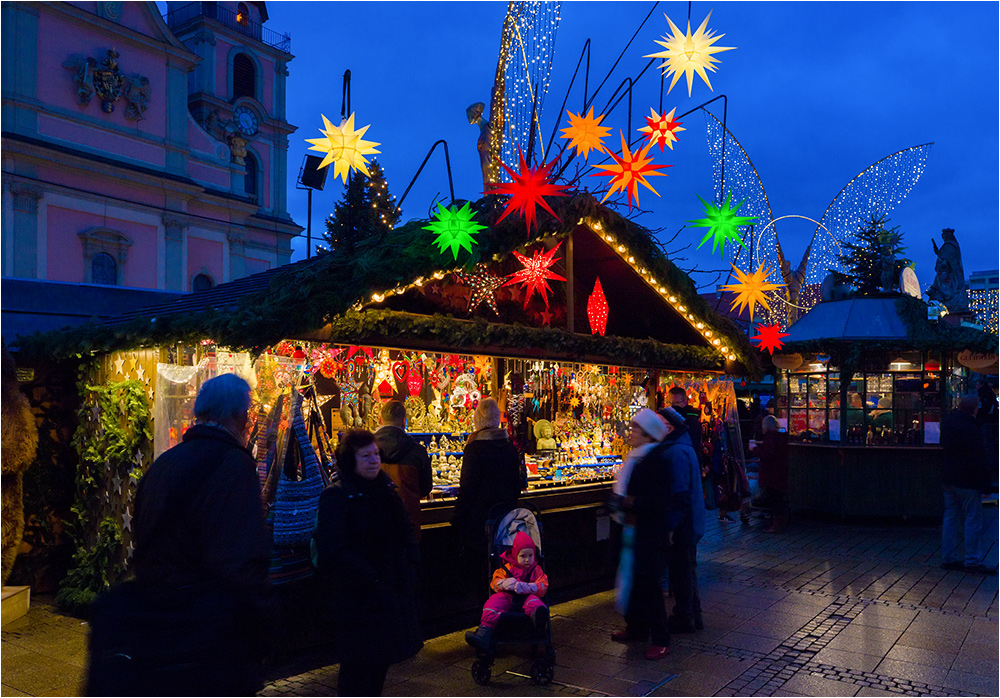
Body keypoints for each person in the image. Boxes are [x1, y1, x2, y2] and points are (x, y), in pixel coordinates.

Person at [126, 373, 276, 696]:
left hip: (160, 630)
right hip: (210, 638)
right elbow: (241, 560)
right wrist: (263, 630)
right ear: (240, 416)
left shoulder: (163, 465)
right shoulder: (233, 466)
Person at [311, 428, 423, 696]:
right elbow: (333, 549)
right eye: (366, 456)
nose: (374, 460)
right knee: (357, 668)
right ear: (351, 460)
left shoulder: (385, 489)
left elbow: (403, 527)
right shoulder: (337, 496)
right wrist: (369, 576)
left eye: (375, 454)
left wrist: (410, 558)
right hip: (357, 599)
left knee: (379, 664)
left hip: (387, 593)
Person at [609, 408, 672, 660]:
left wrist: (629, 502)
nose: (631, 432)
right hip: (630, 530)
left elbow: (658, 500)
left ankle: (660, 637)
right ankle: (636, 626)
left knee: (648, 584)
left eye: (636, 429)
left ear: (648, 434)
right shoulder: (635, 457)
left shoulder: (657, 459)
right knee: (632, 581)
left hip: (648, 533)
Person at [452, 398, 524, 556]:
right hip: (505, 522)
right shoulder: (510, 448)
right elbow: (517, 485)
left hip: (478, 525)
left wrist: (456, 518)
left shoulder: (474, 449)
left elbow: (467, 489)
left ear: (477, 420)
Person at [657, 406, 706, 634]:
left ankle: (685, 617)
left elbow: (680, 493)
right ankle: (693, 616)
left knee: (681, 570)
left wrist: (671, 525)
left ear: (669, 427)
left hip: (683, 524)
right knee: (687, 569)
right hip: (689, 521)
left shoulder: (675, 451)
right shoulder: (682, 447)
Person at [938, 395, 995, 575]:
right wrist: (985, 484)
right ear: (974, 409)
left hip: (949, 476)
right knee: (973, 519)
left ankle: (949, 558)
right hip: (967, 479)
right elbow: (978, 458)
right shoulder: (971, 428)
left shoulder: (948, 423)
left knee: (950, 518)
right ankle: (972, 560)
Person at [465, 531, 549, 651]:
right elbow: (494, 583)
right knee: (493, 601)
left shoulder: (536, 570)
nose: (527, 560)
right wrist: (503, 584)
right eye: (523, 556)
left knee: (535, 602)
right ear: (515, 555)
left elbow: (543, 585)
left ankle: (539, 619)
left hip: (528, 596)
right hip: (507, 596)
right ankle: (484, 632)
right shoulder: (505, 569)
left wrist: (529, 587)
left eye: (530, 556)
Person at [375, 400, 432, 541]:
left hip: (375, 527)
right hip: (408, 527)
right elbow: (425, 488)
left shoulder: (367, 449)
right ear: (403, 422)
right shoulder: (418, 451)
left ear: (380, 419)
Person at [752, 415, 790, 533]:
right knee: (778, 498)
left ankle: (776, 525)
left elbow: (767, 454)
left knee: (775, 499)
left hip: (772, 473)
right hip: (780, 471)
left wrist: (755, 449)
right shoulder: (782, 437)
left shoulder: (771, 438)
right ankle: (779, 523)